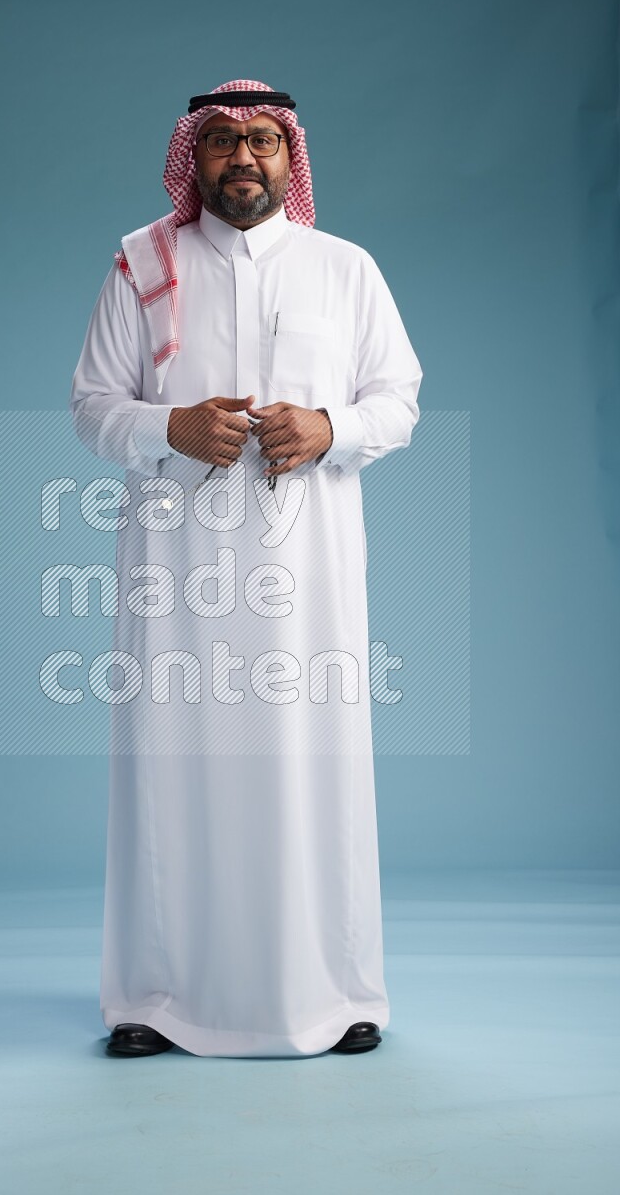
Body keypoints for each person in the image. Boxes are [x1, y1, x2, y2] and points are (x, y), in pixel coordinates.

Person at [68, 79, 423, 1059]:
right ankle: (151, 995)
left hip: (305, 577)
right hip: (174, 573)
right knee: (169, 769)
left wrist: (329, 426)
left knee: (315, 769)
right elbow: (93, 405)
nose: (241, 160)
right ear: (195, 155)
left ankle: (339, 990)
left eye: (261, 142)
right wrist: (167, 427)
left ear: (288, 156)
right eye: (221, 141)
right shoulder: (143, 262)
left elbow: (396, 400)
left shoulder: (343, 270)